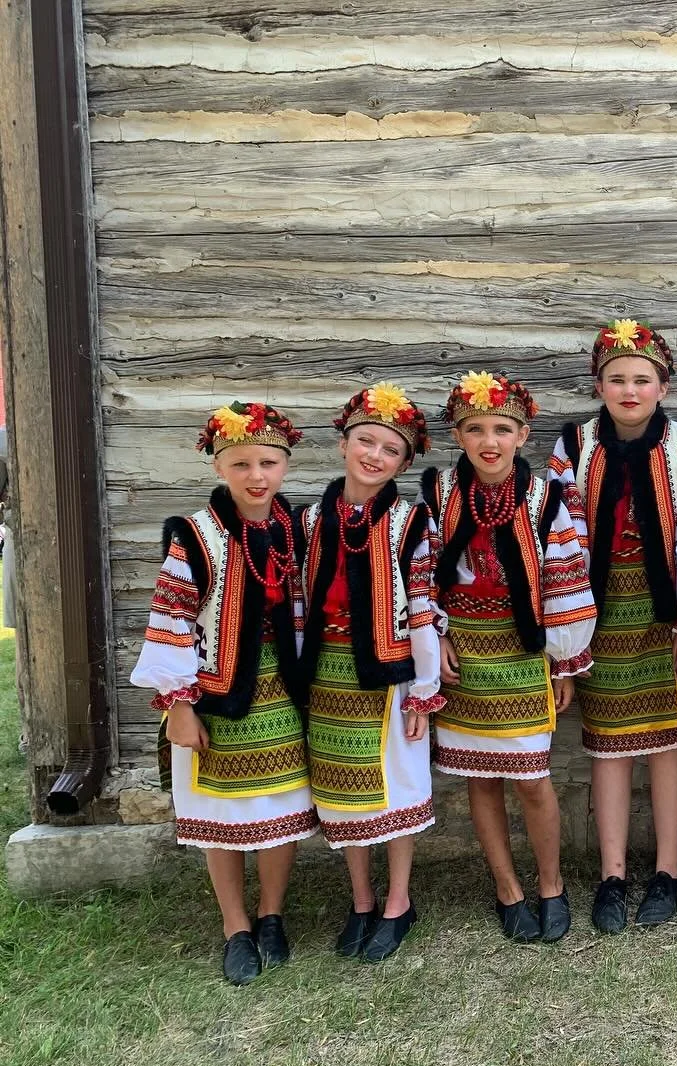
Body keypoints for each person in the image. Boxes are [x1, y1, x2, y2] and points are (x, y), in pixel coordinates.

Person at [130, 402, 313, 984]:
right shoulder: (196, 536)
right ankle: (235, 925)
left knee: (281, 802)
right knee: (222, 809)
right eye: (241, 464)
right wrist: (179, 706)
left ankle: (271, 915)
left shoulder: (294, 528)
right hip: (213, 691)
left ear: (284, 465)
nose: (256, 476)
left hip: (281, 688)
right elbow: (171, 618)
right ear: (219, 468)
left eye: (268, 462)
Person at [422, 371, 597, 943]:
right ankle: (507, 888)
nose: (488, 441)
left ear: (523, 434)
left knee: (530, 778)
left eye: (502, 428)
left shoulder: (546, 498)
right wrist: (437, 634)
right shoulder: (437, 494)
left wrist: (564, 661)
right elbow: (419, 575)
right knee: (481, 778)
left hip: (524, 654)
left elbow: (566, 577)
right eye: (475, 429)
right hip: (463, 655)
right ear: (459, 434)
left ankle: (551, 884)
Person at [548, 319, 677, 933]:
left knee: (670, 738)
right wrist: (567, 625)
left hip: (666, 613)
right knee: (608, 745)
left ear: (663, 387)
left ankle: (670, 869)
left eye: (643, 379)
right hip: (598, 609)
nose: (630, 389)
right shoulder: (575, 445)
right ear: (599, 386)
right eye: (617, 379)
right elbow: (560, 536)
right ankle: (612, 875)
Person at [300, 383, 444, 961]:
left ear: (405, 462)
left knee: (396, 784)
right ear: (343, 444)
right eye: (366, 441)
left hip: (390, 671)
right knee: (342, 789)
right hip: (327, 672)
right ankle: (360, 898)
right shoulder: (308, 520)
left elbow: (424, 604)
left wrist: (424, 690)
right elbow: (294, 601)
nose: (375, 455)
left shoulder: (411, 523)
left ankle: (398, 901)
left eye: (390, 449)